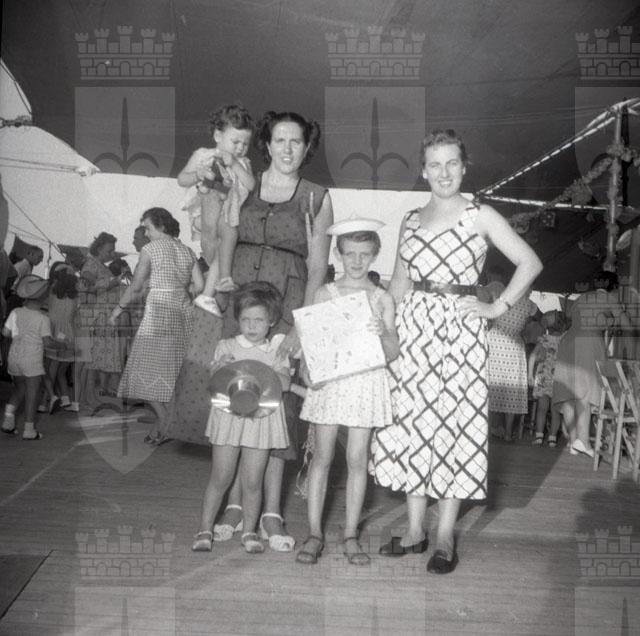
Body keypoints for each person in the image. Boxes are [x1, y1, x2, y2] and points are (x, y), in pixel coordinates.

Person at [370, 129, 542, 574]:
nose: (443, 173)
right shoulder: (410, 219)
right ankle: (414, 531)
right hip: (412, 333)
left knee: (453, 425)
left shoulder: (480, 214)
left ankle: (445, 535)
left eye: (452, 164)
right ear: (423, 170)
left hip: (458, 333)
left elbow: (530, 262)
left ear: (464, 168)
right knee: (413, 423)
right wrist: (383, 327)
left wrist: (496, 307)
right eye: (435, 164)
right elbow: (399, 284)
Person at [171, 110, 333, 550]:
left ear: (307, 147)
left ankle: (272, 512)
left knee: (277, 406)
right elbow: (217, 240)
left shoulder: (317, 197)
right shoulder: (242, 181)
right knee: (234, 398)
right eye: (279, 140)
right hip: (240, 302)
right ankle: (237, 505)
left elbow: (318, 266)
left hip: (286, 304)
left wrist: (301, 326)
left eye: (296, 141)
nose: (287, 148)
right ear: (267, 144)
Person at [296, 223, 399, 566]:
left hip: (365, 383)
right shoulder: (325, 293)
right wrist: (308, 369)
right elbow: (312, 342)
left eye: (364, 255)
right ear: (338, 254)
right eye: (350, 254)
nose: (356, 261)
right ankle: (314, 533)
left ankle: (351, 534)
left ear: (374, 255)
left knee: (357, 460)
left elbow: (393, 351)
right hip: (332, 382)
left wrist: (383, 333)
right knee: (322, 457)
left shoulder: (382, 298)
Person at [192, 282, 291, 554]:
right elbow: (214, 378)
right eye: (245, 319)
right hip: (229, 417)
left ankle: (249, 531)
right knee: (221, 476)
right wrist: (219, 366)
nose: (251, 326)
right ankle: (204, 530)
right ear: (237, 319)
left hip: (262, 420)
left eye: (259, 320)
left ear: (272, 321)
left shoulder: (277, 351)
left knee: (252, 481)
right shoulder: (226, 346)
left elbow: (284, 383)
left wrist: (274, 372)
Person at [110, 208, 203, 443]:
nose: (145, 233)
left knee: (142, 371)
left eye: (147, 228)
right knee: (170, 374)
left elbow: (136, 287)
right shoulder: (187, 251)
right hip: (183, 312)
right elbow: (200, 286)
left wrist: (117, 310)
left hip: (159, 312)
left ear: (161, 226)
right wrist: (180, 290)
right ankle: (163, 426)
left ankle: (165, 421)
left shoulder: (150, 249)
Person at [178, 104, 255, 316]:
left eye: (245, 144)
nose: (240, 148)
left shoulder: (243, 163)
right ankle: (222, 280)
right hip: (203, 211)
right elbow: (182, 179)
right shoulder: (203, 155)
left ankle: (211, 290)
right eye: (235, 142)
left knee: (226, 241)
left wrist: (235, 165)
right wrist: (198, 174)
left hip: (228, 214)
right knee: (225, 236)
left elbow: (250, 185)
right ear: (218, 136)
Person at [551, 271, 625, 457]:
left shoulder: (581, 298)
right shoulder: (610, 298)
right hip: (589, 342)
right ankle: (583, 442)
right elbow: (623, 323)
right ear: (613, 286)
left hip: (568, 342)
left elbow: (571, 317)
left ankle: (573, 441)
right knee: (585, 391)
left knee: (569, 393)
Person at [0, 275, 62, 440]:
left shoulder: (15, 312)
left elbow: (5, 332)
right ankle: (29, 430)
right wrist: (61, 345)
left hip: (14, 357)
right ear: (43, 299)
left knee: (19, 389)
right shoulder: (42, 318)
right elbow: (47, 342)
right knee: (32, 395)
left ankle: (8, 421)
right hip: (32, 359)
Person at [486, 278, 538, 442]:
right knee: (512, 391)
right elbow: (537, 319)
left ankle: (487, 430)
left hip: (495, 342)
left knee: (490, 387)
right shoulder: (530, 305)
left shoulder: (503, 298)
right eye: (531, 289)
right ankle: (508, 433)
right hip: (514, 346)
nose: (531, 292)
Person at [81, 232, 124, 398]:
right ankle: (88, 397)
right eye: (109, 251)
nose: (112, 254)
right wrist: (112, 283)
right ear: (99, 248)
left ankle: (92, 396)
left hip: (107, 316)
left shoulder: (102, 266)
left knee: (100, 358)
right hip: (99, 316)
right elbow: (88, 287)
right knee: (94, 358)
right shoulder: (91, 264)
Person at [529, 310, 570, 447]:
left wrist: (530, 375)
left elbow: (533, 356)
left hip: (542, 377)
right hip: (559, 379)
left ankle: (539, 436)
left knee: (541, 409)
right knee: (555, 411)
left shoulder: (544, 339)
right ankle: (552, 438)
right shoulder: (565, 340)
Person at [44, 262, 80, 412]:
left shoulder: (52, 290)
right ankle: (66, 400)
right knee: (61, 371)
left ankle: (45, 401)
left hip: (54, 331)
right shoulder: (76, 295)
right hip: (69, 334)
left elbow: (48, 309)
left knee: (50, 368)